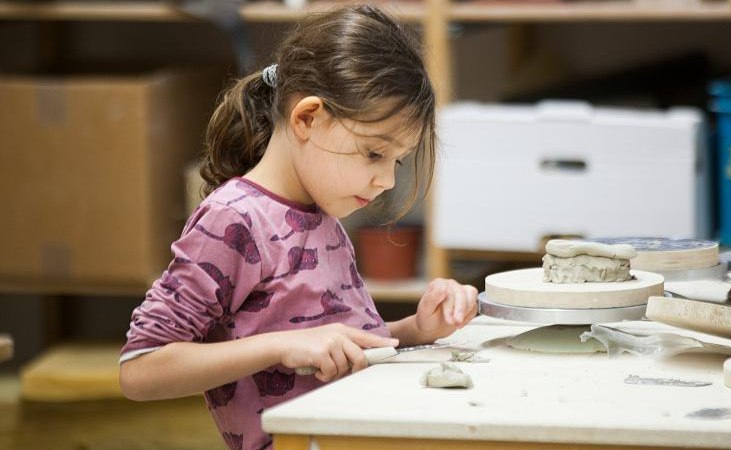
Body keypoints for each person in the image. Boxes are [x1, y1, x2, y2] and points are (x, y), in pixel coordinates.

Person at [119, 5, 478, 450]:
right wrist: (281, 347)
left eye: (396, 161)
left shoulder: (321, 212)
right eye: (373, 153)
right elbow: (140, 368)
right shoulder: (234, 219)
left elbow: (337, 345)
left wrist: (415, 330)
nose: (386, 181)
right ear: (308, 118)